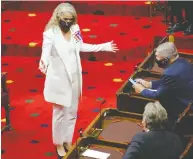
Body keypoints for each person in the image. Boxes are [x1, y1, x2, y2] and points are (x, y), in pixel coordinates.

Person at [38, 3, 119, 158]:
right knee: (60, 113)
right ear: (58, 17)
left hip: (75, 77)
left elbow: (81, 46)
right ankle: (58, 143)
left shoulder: (75, 29)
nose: (67, 22)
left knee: (72, 112)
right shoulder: (50, 33)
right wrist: (43, 63)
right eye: (65, 19)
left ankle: (68, 140)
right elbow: (45, 53)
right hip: (59, 80)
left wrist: (103, 47)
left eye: (70, 19)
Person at [133, 42, 193, 121]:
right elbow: (170, 82)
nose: (156, 59)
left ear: (165, 60)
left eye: (157, 57)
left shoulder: (170, 73)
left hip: (183, 105)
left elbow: (159, 95)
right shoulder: (184, 62)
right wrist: (149, 84)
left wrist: (142, 90)